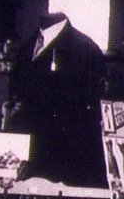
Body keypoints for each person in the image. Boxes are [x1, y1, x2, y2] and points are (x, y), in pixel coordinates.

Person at [6, 11, 108, 187]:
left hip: (68, 163)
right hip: (27, 161)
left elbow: (92, 110)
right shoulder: (26, 47)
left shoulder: (85, 49)